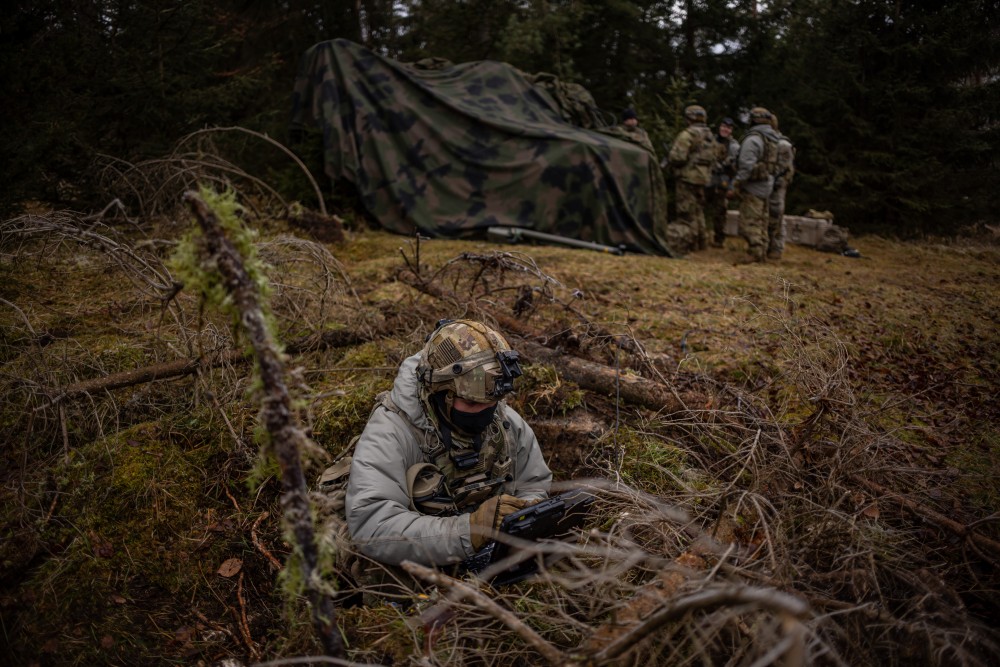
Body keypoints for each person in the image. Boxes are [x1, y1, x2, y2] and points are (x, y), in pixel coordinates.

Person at [345, 319, 552, 569]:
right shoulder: (391, 431)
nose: (486, 412)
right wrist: (471, 530)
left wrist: (523, 518)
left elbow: (534, 485)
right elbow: (372, 526)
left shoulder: (506, 422)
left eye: (492, 402)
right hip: (419, 572)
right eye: (473, 404)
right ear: (440, 393)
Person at [729, 107, 782, 263]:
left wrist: (736, 184)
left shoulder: (753, 139)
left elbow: (745, 166)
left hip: (753, 187)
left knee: (750, 221)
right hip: (767, 185)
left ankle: (755, 253)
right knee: (762, 220)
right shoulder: (774, 138)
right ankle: (762, 250)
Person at [668, 104, 715, 251]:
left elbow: (678, 157)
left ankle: (684, 245)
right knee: (698, 212)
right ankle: (701, 243)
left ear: (689, 118)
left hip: (687, 178)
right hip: (703, 179)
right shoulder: (709, 136)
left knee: (686, 214)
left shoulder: (687, 135)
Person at [705, 117, 740, 248]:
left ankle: (718, 240)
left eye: (728, 128)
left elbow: (736, 170)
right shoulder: (711, 141)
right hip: (708, 179)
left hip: (723, 181)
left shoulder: (734, 147)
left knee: (720, 211)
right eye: (723, 126)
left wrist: (731, 187)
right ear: (720, 127)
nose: (725, 129)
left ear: (731, 130)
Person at [766, 114, 795, 260]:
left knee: (777, 214)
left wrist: (777, 182)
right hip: (766, 184)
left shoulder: (782, 144)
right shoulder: (766, 141)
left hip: (777, 185)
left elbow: (785, 169)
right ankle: (767, 245)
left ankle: (776, 247)